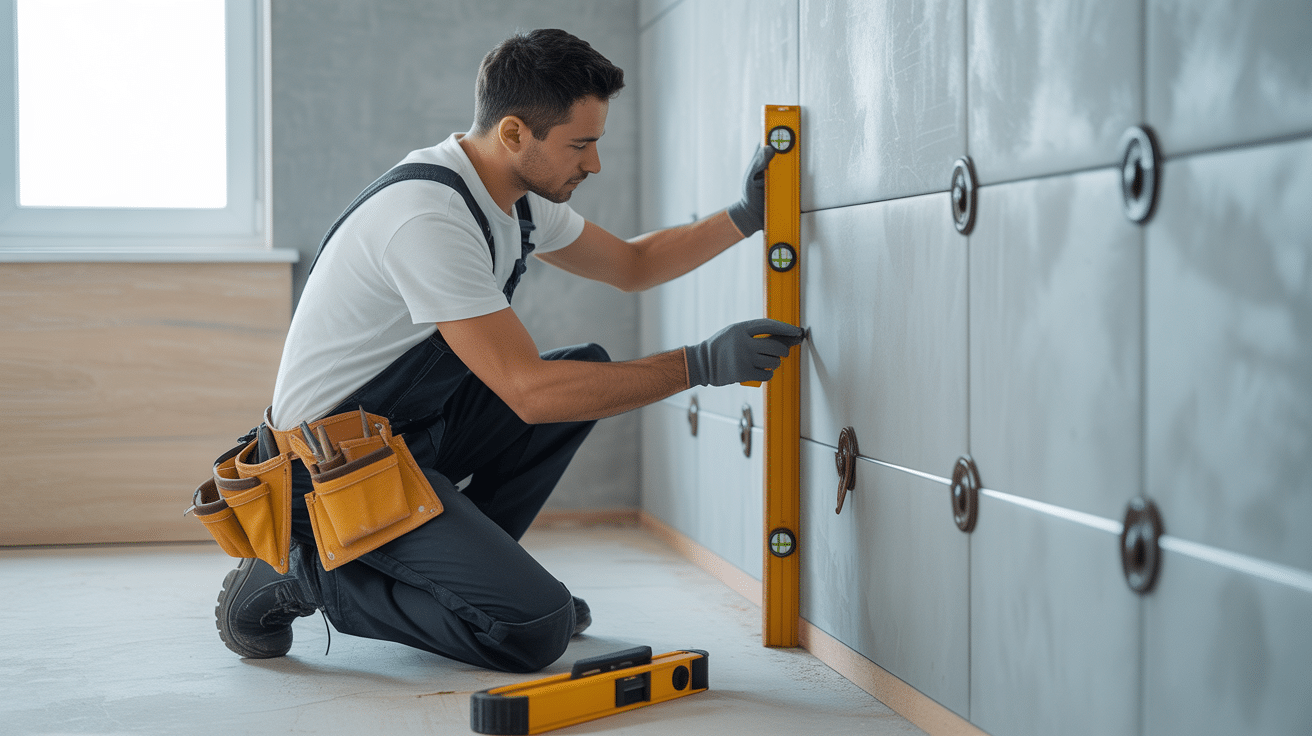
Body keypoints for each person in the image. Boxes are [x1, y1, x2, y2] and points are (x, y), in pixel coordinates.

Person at [214, 28, 802, 673]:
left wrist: (746, 214)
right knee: (533, 629)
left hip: (404, 437)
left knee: (590, 372)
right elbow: (529, 391)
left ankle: (477, 587)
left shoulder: (516, 203)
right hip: (327, 472)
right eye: (581, 144)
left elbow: (634, 264)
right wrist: (701, 365)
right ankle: (304, 576)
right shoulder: (429, 217)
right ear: (516, 133)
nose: (595, 163)